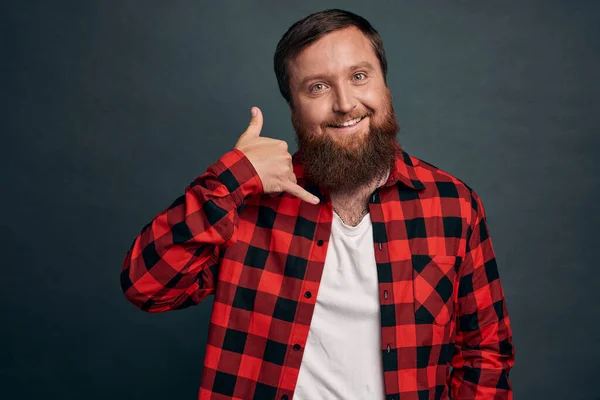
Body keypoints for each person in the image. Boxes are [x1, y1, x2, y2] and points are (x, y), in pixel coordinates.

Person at [120, 8, 515, 400]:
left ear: (385, 86)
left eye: (359, 77)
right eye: (318, 87)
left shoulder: (453, 206)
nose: (345, 104)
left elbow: (485, 353)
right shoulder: (246, 205)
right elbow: (148, 287)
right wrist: (233, 178)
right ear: (293, 110)